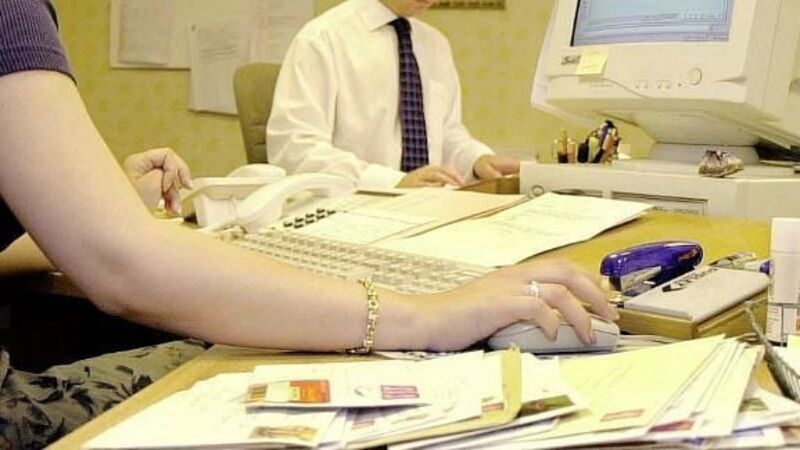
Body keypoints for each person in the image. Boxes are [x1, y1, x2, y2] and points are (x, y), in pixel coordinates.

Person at [0, 0, 615, 446]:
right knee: (258, 362)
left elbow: (450, 131)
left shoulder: (433, 44)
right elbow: (126, 264)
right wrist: (425, 315)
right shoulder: (326, 37)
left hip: (417, 220)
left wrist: (90, 213)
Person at [267, 0, 520, 189]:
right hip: (350, 211)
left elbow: (446, 133)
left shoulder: (435, 44)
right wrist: (391, 183)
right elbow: (295, 149)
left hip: (429, 209)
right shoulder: (321, 39)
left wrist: (476, 160)